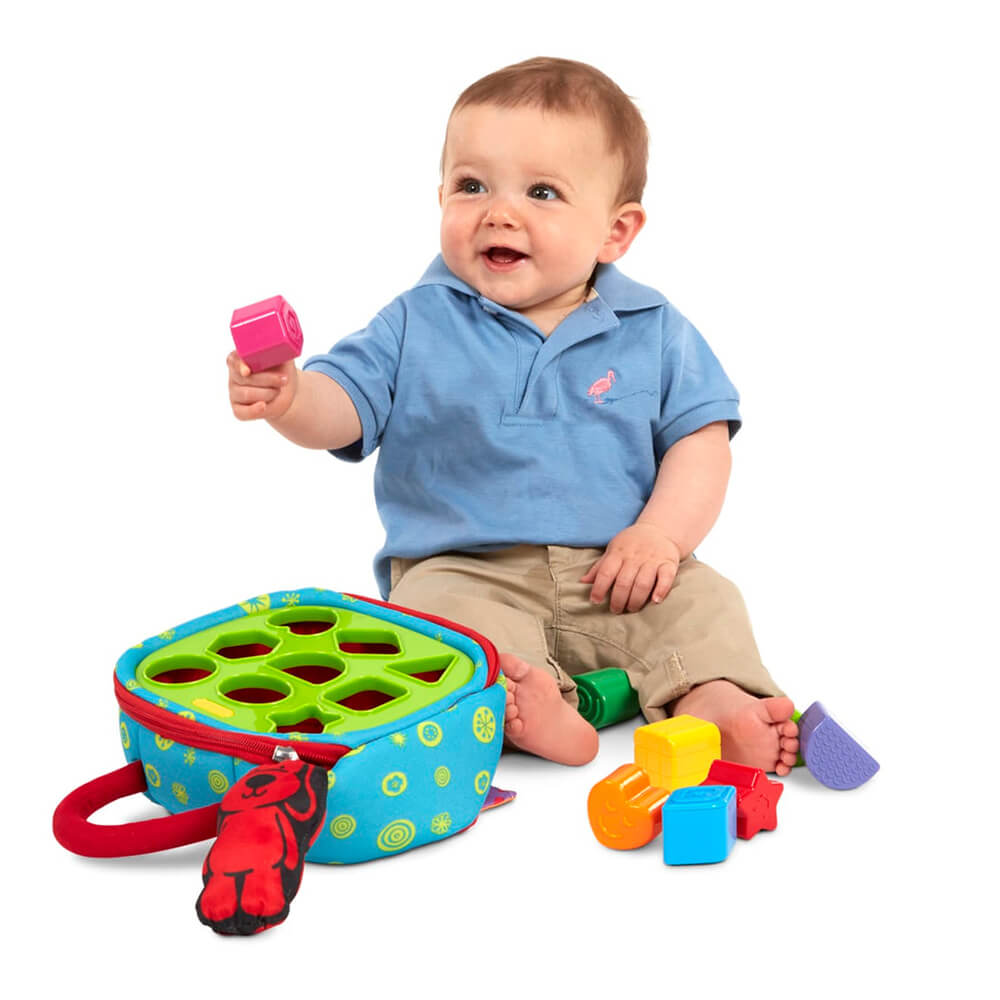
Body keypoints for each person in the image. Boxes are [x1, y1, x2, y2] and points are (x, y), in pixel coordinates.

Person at [226, 57, 799, 773]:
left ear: (616, 231)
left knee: (705, 600)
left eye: (542, 192)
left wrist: (659, 535)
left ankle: (714, 697)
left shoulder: (654, 328)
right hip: (465, 569)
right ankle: (537, 703)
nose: (499, 212)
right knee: (435, 619)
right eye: (472, 186)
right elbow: (342, 408)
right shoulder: (415, 320)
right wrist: (291, 398)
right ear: (439, 195)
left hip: (618, 570)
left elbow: (701, 443)